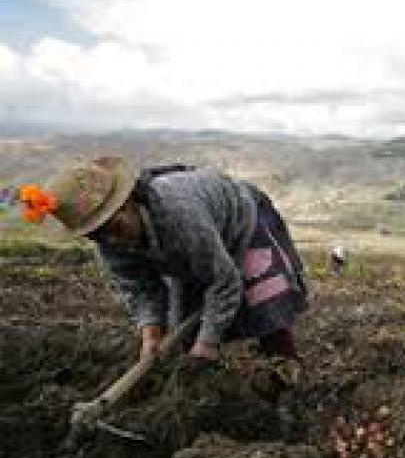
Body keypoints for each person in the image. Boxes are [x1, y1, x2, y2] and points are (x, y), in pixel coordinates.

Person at [35, 158, 307, 368]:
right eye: (96, 235)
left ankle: (287, 372)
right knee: (179, 331)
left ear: (129, 203)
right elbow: (142, 288)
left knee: (266, 308)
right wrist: (151, 334)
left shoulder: (179, 216)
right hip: (186, 253)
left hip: (242, 223)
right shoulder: (109, 244)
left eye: (112, 227)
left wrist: (207, 343)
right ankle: (202, 387)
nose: (111, 240)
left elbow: (222, 281)